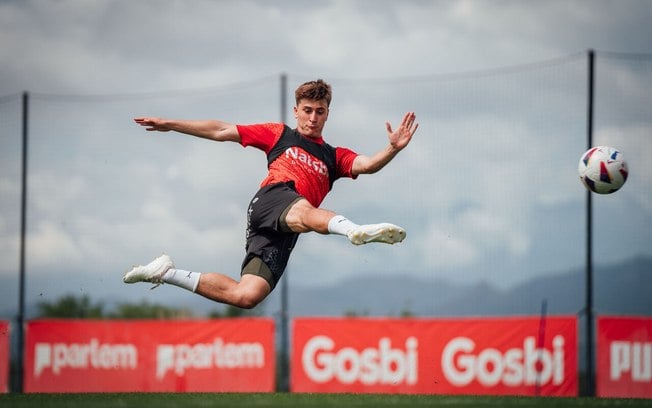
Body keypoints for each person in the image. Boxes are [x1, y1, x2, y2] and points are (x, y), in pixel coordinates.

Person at [123, 79, 418, 309]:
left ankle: (163, 273)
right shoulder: (279, 134)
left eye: (320, 111)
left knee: (246, 295)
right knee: (303, 211)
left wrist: (392, 148)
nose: (313, 117)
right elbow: (222, 129)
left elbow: (366, 165)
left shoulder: (333, 156)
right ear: (296, 111)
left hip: (284, 230)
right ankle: (354, 230)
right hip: (272, 200)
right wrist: (171, 125)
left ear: (328, 114)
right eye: (307, 110)